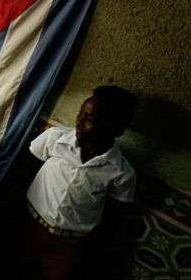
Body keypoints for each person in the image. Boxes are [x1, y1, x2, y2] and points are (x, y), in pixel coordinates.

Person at [22, 85, 138, 280]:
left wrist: (88, 247)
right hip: (30, 223)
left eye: (90, 119)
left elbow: (113, 216)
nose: (79, 121)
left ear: (117, 129)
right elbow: (26, 169)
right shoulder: (55, 138)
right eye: (80, 113)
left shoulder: (121, 174)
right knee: (16, 266)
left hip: (70, 243)